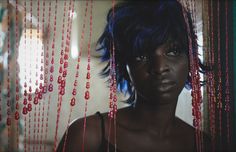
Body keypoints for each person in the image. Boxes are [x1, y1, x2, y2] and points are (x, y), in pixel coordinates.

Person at [57, 1, 211, 151]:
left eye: (173, 51)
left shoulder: (203, 145)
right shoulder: (87, 136)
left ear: (190, 59)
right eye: (141, 55)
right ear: (124, 65)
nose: (159, 68)